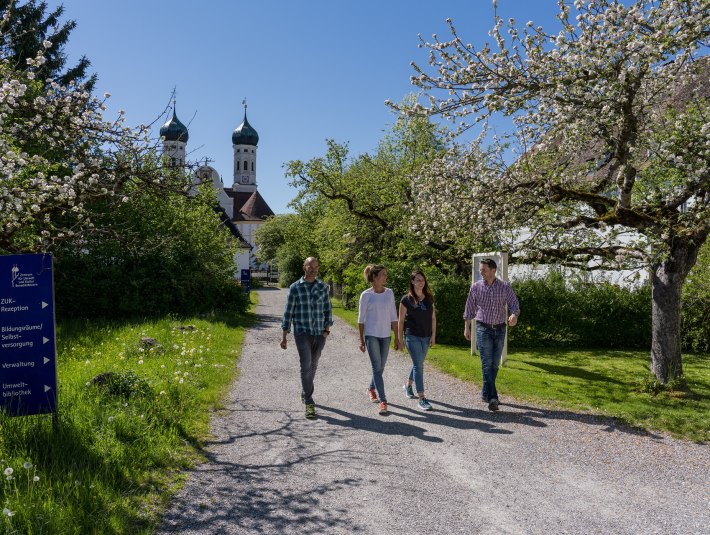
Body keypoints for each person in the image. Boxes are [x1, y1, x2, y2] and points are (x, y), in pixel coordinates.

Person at [463, 258, 520, 412]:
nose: (481, 272)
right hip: (483, 329)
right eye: (480, 270)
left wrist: (514, 315)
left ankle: (484, 392)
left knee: (494, 365)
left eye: (484, 270)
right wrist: (466, 328)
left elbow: (514, 304)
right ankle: (493, 397)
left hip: (500, 329)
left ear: (493, 271)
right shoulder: (476, 287)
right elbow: (469, 309)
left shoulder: (504, 287)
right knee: (486, 364)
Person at [280, 257, 333, 420]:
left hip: (319, 333)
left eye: (316, 266)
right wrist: (284, 336)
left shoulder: (323, 287)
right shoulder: (295, 288)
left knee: (314, 364)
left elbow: (327, 309)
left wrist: (326, 330)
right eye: (310, 266)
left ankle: (305, 391)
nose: (313, 269)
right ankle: (309, 402)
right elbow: (288, 312)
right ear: (304, 267)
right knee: (305, 364)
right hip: (302, 332)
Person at [358, 264, 401, 415]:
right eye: (383, 274)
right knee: (377, 367)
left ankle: (371, 388)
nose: (385, 277)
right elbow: (361, 320)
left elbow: (394, 317)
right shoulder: (366, 295)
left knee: (380, 368)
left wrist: (397, 337)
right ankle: (383, 401)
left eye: (385, 274)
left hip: (386, 336)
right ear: (375, 277)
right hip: (371, 335)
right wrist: (361, 340)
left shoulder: (389, 293)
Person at [398, 270, 436, 411]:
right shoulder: (405, 300)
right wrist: (399, 339)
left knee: (417, 363)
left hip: (426, 336)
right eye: (418, 280)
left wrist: (433, 336)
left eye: (423, 280)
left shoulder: (429, 298)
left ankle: (408, 386)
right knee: (419, 366)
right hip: (411, 336)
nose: (421, 282)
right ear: (412, 282)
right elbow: (401, 321)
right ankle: (422, 399)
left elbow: (433, 318)